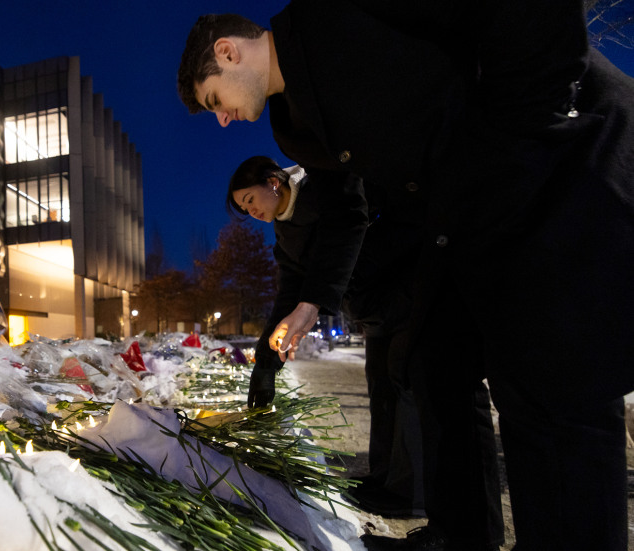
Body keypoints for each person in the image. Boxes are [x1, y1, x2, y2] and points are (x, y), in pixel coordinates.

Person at [177, 3, 634, 551]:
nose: (223, 119)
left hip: (551, 164)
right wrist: (311, 303)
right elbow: (347, 214)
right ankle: (459, 534)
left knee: (549, 385)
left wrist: (529, 128)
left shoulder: (336, 17)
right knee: (433, 358)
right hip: (461, 216)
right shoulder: (295, 125)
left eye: (214, 101)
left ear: (228, 52)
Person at [230, 156, 426, 519]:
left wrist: (315, 301)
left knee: (406, 382)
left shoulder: (322, 189)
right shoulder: (285, 232)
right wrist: (266, 363)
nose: (252, 211)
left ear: (273, 182)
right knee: (381, 383)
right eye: (245, 208)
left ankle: (411, 492)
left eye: (250, 200)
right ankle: (385, 478)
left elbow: (348, 228)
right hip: (374, 308)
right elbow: (290, 291)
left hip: (402, 290)